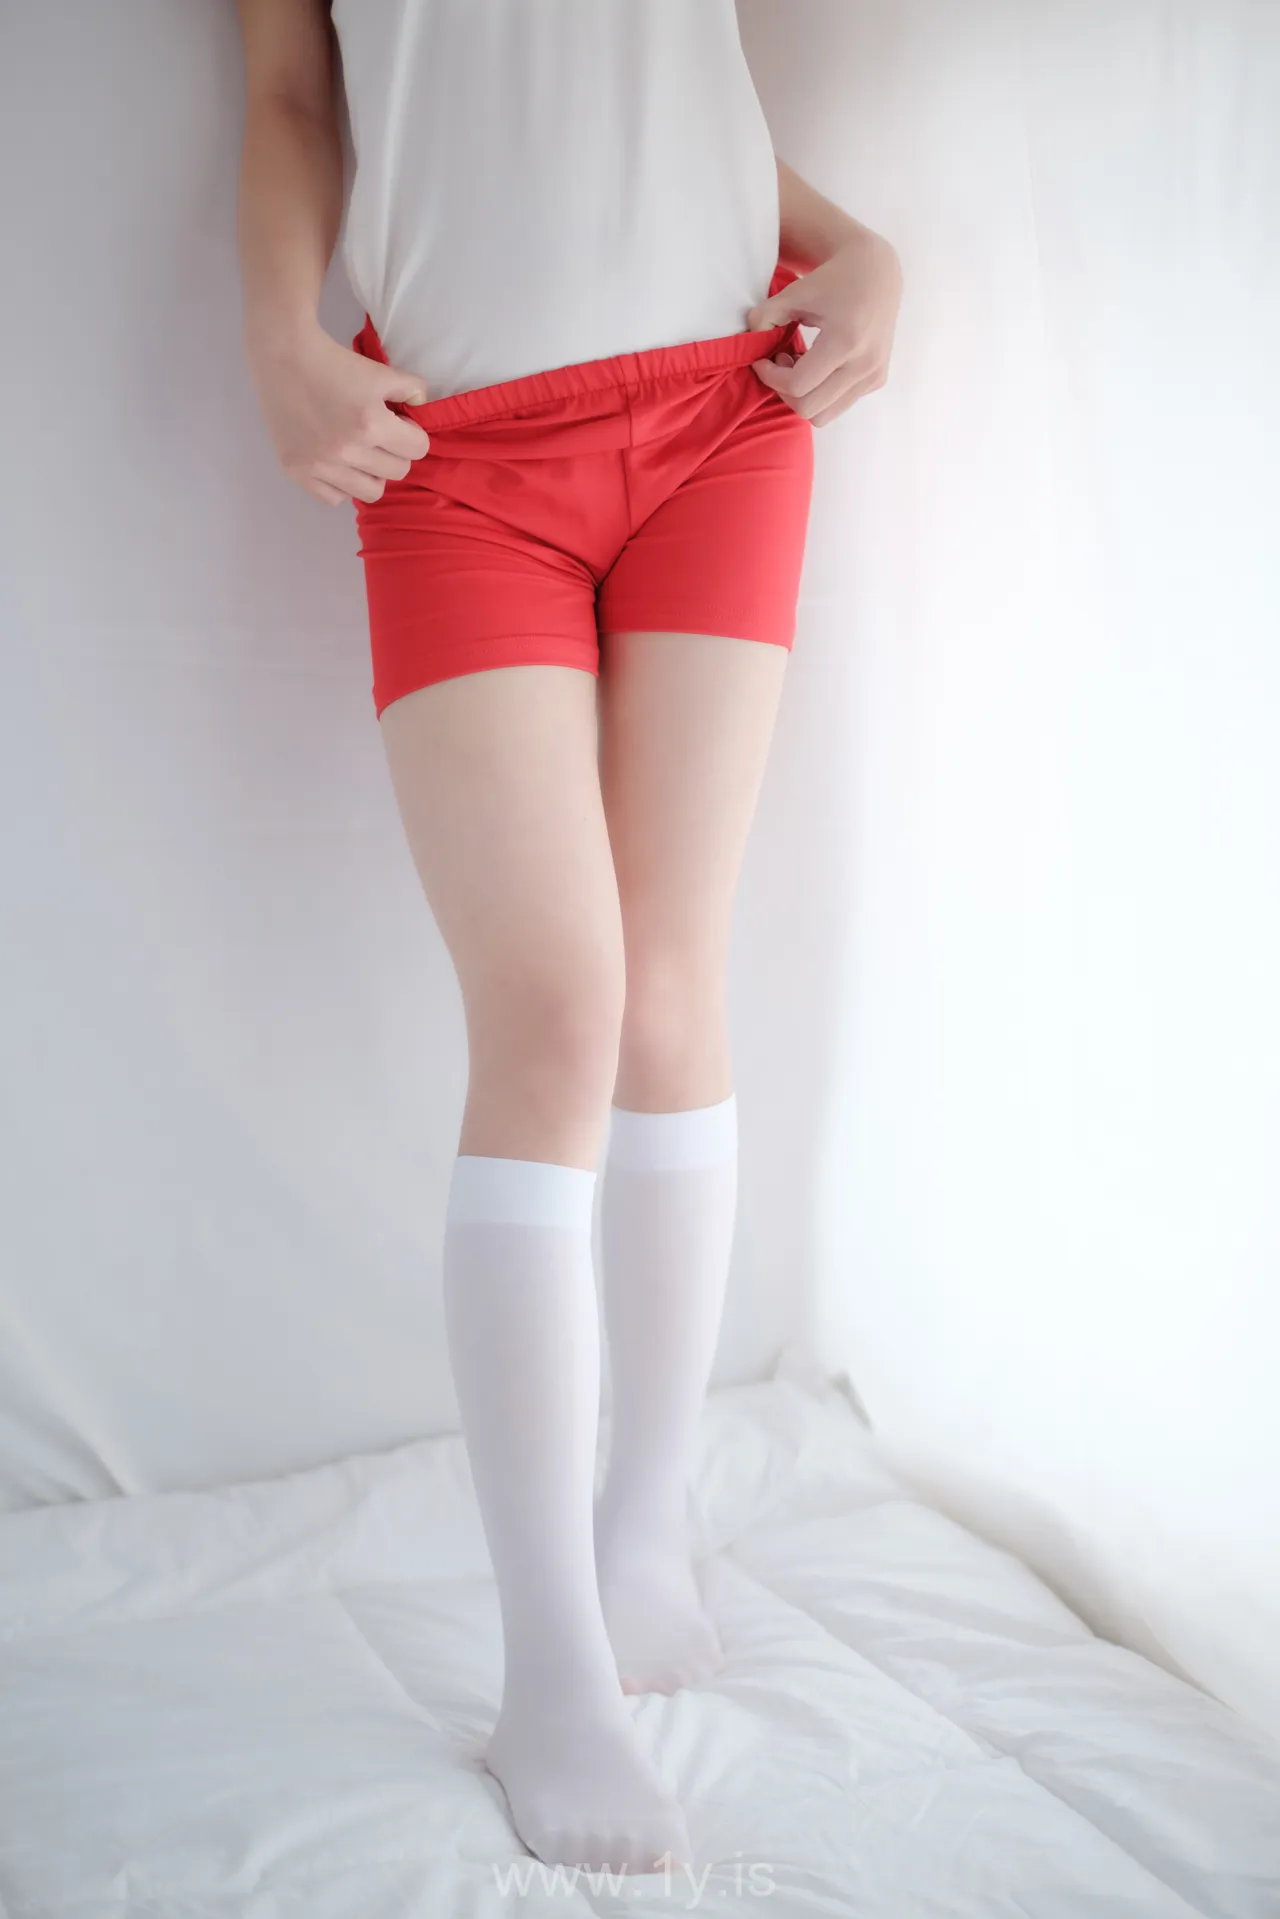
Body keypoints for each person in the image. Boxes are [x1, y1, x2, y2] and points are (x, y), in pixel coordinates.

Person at [233, 0, 902, 1877]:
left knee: (670, 990)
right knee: (553, 1009)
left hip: (730, 403)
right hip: (452, 447)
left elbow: (644, 74)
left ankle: (645, 1516)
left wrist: (861, 244)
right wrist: (277, 337)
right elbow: (294, 87)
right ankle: (549, 1667)